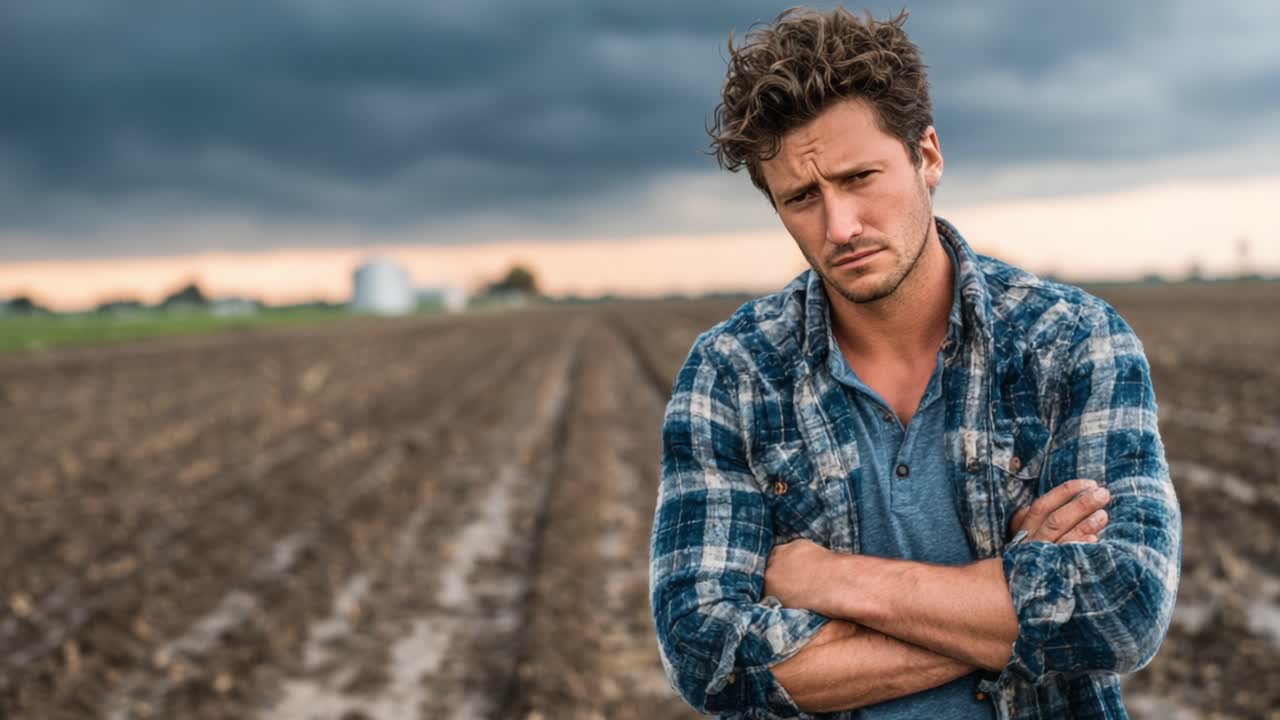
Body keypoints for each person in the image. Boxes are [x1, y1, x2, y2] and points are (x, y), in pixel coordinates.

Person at [648, 7, 1181, 719]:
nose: (840, 227)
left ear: (926, 155)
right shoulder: (734, 374)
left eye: (859, 177)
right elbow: (706, 657)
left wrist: (832, 580)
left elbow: (1124, 607)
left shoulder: (1070, 341)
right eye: (802, 198)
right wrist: (1009, 597)